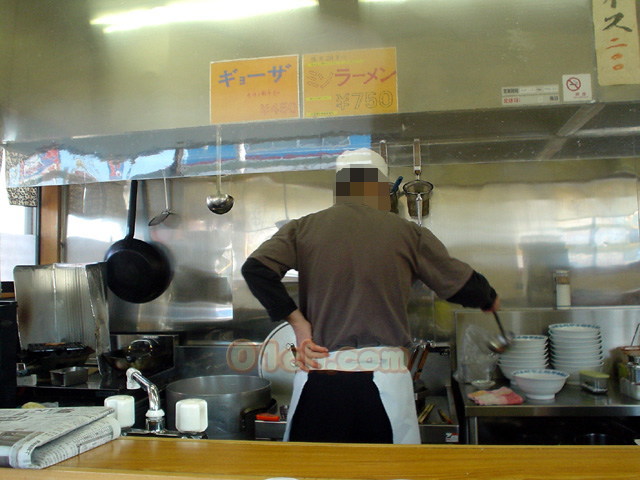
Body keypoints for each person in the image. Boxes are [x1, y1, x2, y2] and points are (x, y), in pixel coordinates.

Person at [241, 148, 499, 444]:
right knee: (387, 468)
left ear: (340, 188)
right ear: (382, 189)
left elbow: (256, 270)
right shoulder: (407, 233)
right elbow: (464, 285)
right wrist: (488, 298)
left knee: (315, 467)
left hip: (319, 377)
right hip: (385, 380)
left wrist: (299, 325)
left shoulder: (304, 227)